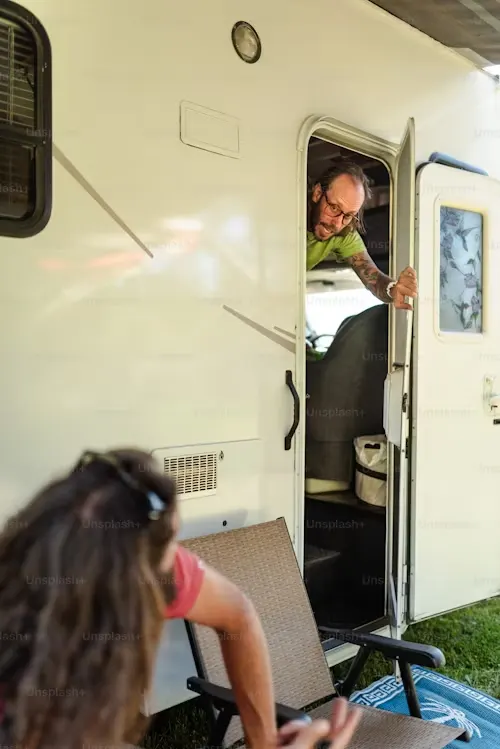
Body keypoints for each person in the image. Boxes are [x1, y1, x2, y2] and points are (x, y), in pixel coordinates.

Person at [0, 448, 360, 749]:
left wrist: (262, 741)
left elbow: (237, 615)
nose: (181, 568)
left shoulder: (133, 557)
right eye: (171, 552)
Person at [307, 160, 418, 310]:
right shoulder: (287, 209)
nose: (337, 224)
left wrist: (393, 290)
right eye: (334, 208)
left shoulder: (344, 235)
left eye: (348, 216)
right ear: (317, 193)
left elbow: (374, 278)